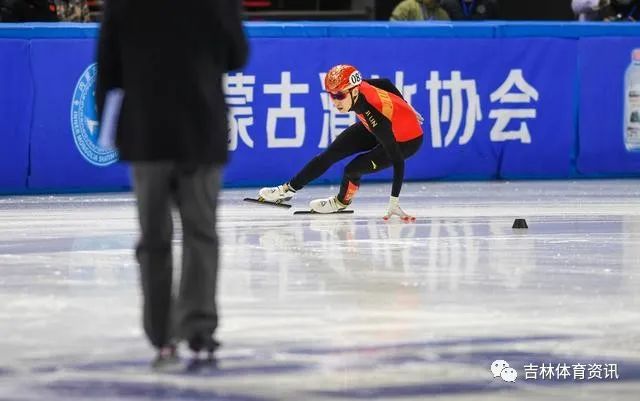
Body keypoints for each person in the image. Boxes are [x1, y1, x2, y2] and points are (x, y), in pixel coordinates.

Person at [96, 0, 248, 368]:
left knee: (154, 237)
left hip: (147, 132)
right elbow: (237, 54)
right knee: (200, 232)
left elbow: (108, 68)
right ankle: (198, 328)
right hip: (200, 128)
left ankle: (163, 335)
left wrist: (115, 129)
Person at [258, 64, 423, 221]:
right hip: (375, 125)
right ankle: (287, 190)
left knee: (352, 169)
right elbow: (385, 82)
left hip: (405, 141)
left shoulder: (376, 118)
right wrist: (406, 106)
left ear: (355, 91)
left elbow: (398, 160)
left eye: (340, 96)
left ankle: (341, 202)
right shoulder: (359, 86)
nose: (336, 101)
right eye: (332, 95)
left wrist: (394, 201)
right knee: (329, 154)